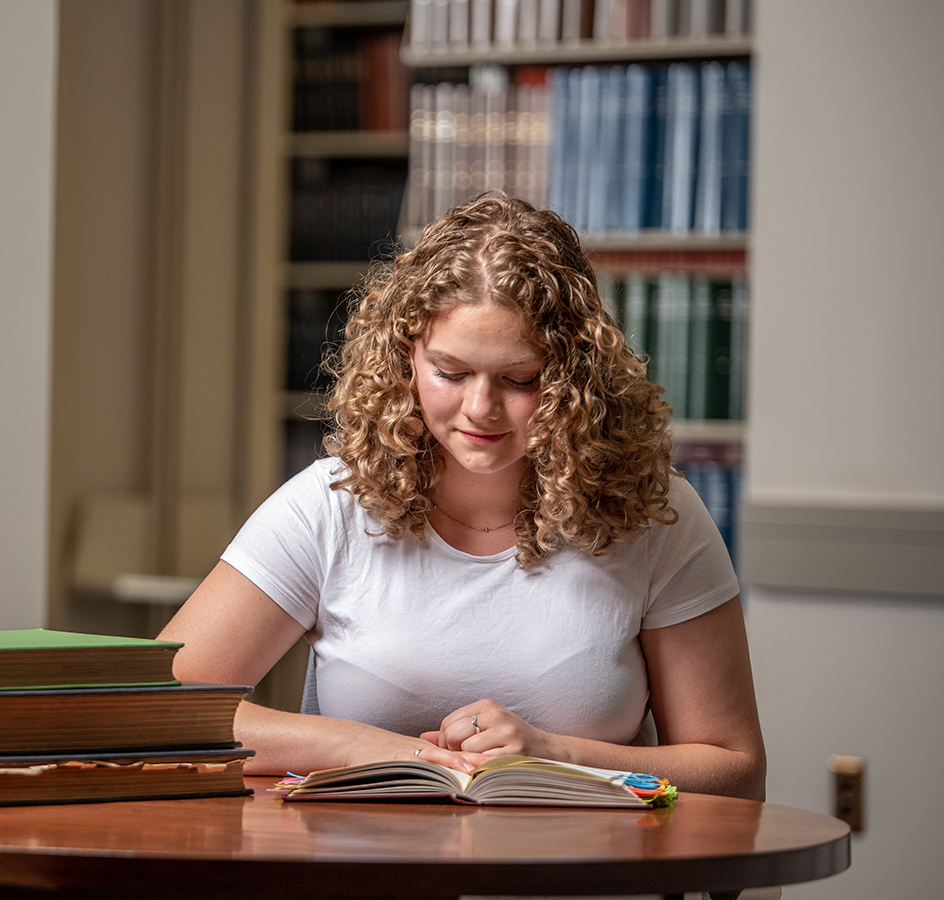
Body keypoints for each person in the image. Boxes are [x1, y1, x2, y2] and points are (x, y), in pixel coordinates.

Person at [158, 195, 766, 801]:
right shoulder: (330, 504)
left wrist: (557, 755)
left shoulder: (656, 513)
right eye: (450, 372)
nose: (480, 408)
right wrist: (364, 746)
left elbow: (737, 772)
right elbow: (154, 712)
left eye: (520, 379)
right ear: (406, 359)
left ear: (573, 376)